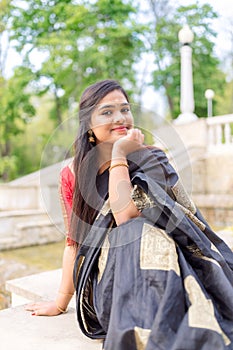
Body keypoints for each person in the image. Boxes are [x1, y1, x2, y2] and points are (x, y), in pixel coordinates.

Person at [26, 79, 233, 349]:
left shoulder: (153, 157)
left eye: (125, 109)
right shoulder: (73, 175)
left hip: (163, 261)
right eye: (107, 112)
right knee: (132, 234)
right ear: (88, 124)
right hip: (111, 280)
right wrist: (60, 301)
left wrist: (120, 154)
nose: (120, 118)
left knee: (139, 232)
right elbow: (74, 243)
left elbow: (127, 215)